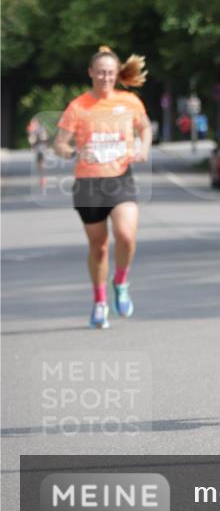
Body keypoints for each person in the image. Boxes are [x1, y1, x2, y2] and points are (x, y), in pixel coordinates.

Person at [54, 46, 152, 330]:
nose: (105, 77)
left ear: (116, 73)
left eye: (110, 72)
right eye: (100, 72)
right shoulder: (78, 106)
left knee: (125, 236)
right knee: (98, 248)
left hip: (120, 178)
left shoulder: (130, 101)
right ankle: (99, 302)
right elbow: (59, 143)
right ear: (91, 73)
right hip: (88, 184)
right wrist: (73, 152)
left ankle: (120, 281)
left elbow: (144, 128)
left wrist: (143, 148)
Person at [27, 116, 50, 193]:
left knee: (41, 164)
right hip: (39, 149)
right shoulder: (33, 129)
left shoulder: (39, 129)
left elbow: (44, 137)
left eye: (33, 122)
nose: (32, 124)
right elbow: (31, 140)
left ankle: (43, 179)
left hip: (41, 149)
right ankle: (43, 178)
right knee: (39, 164)